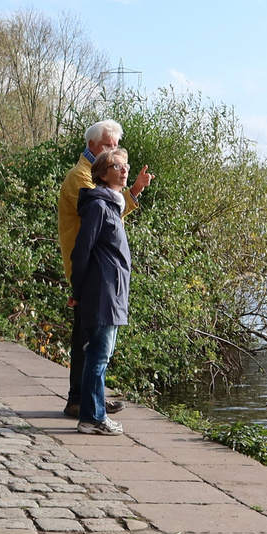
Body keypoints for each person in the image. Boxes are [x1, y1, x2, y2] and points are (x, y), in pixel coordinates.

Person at [58, 120, 152, 419]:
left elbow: (112, 208)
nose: (116, 152)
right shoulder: (81, 178)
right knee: (89, 341)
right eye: (110, 146)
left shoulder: (95, 179)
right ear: (94, 146)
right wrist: (130, 191)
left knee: (92, 340)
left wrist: (133, 190)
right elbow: (102, 213)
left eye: (116, 146)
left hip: (98, 270)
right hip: (90, 270)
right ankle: (83, 403)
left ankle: (89, 399)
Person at [69, 148, 134, 435]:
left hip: (112, 292)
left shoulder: (113, 204)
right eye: (117, 166)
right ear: (102, 173)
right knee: (99, 354)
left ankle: (91, 414)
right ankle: (93, 418)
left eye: (125, 165)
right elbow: (81, 252)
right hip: (103, 292)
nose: (124, 170)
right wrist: (78, 290)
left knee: (98, 354)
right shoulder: (98, 205)